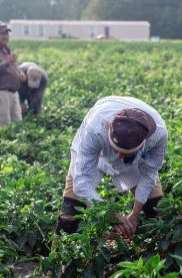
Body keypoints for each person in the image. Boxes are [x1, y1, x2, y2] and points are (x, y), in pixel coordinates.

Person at [54, 96, 168, 241]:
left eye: (125, 153)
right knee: (71, 208)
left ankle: (159, 245)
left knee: (154, 206)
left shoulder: (159, 134)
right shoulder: (95, 129)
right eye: (116, 150)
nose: (119, 156)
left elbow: (149, 172)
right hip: (98, 148)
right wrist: (109, 215)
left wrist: (135, 214)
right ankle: (58, 254)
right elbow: (81, 182)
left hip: (135, 160)